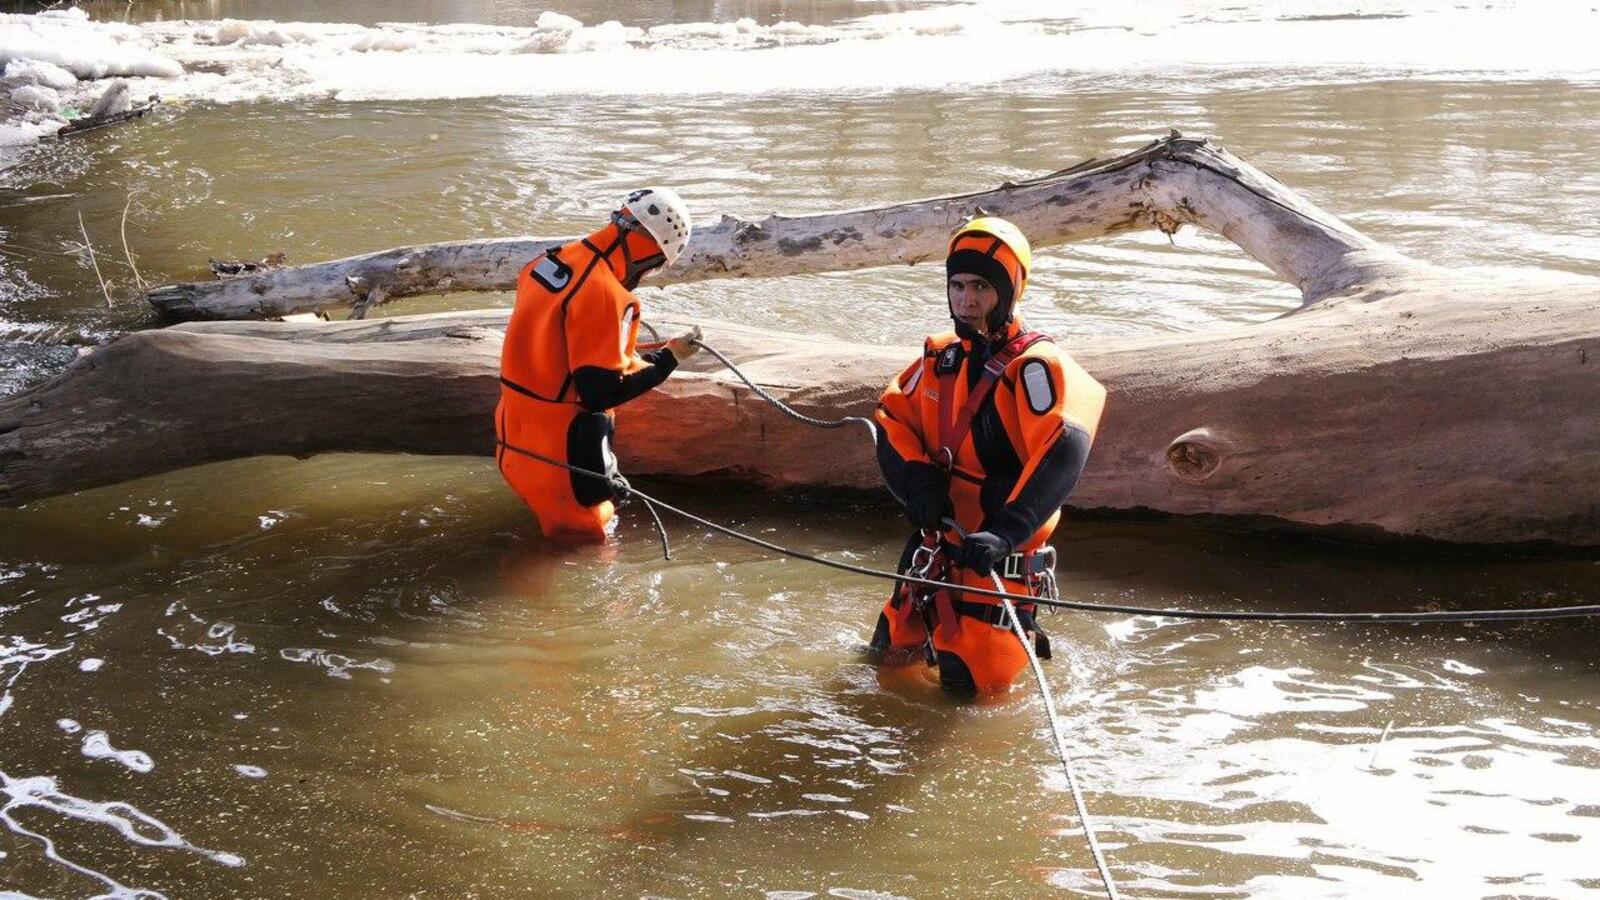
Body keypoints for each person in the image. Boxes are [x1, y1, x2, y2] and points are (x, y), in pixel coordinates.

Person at [869, 216, 1106, 697]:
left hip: (998, 564)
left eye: (980, 286)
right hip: (934, 550)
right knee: (885, 659)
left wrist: (1006, 531)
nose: (966, 300)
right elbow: (890, 420)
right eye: (956, 285)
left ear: (1010, 289)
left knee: (970, 691)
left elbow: (1067, 445)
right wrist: (917, 483)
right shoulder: (941, 358)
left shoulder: (1037, 368)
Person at [495, 188, 701, 543]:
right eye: (656, 266)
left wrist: (652, 356)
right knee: (586, 557)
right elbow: (599, 393)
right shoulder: (606, 293)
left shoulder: (550, 260)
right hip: (560, 461)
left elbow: (562, 351)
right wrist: (670, 359)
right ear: (651, 252)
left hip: (512, 442)